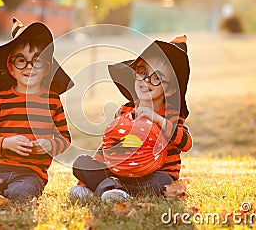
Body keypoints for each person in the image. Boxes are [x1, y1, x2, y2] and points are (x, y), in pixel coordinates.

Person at [0, 18, 74, 200]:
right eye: (21, 61)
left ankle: (2, 192)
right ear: (11, 68)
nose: (29, 67)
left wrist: (50, 145)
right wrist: (6, 143)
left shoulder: (52, 101)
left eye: (36, 61)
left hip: (31, 173)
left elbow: (65, 138)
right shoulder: (1, 100)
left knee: (20, 194)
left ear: (46, 69)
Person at [70, 36, 192, 202]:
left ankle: (111, 188)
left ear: (170, 89)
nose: (146, 80)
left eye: (157, 78)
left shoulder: (171, 115)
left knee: (163, 181)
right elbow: (110, 144)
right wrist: (86, 179)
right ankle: (105, 188)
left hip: (154, 174)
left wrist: (157, 120)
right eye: (142, 72)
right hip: (122, 169)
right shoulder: (126, 110)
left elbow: (186, 143)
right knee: (82, 163)